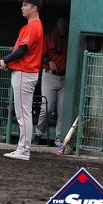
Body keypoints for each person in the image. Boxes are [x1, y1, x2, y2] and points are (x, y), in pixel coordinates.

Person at [0, 0, 44, 161]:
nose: (22, 7)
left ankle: (24, 150)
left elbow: (22, 50)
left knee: (23, 114)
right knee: (23, 113)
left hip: (25, 73)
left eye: (26, 5)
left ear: (34, 8)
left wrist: (5, 60)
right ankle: (23, 149)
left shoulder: (34, 26)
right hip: (24, 72)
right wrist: (9, 62)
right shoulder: (30, 26)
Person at [35, 16, 69, 146]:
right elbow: (40, 55)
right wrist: (48, 61)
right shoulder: (49, 38)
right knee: (47, 108)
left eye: (65, 24)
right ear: (57, 24)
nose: (63, 26)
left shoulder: (70, 39)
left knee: (62, 110)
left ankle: (59, 139)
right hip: (50, 76)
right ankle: (38, 134)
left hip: (65, 78)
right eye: (61, 23)